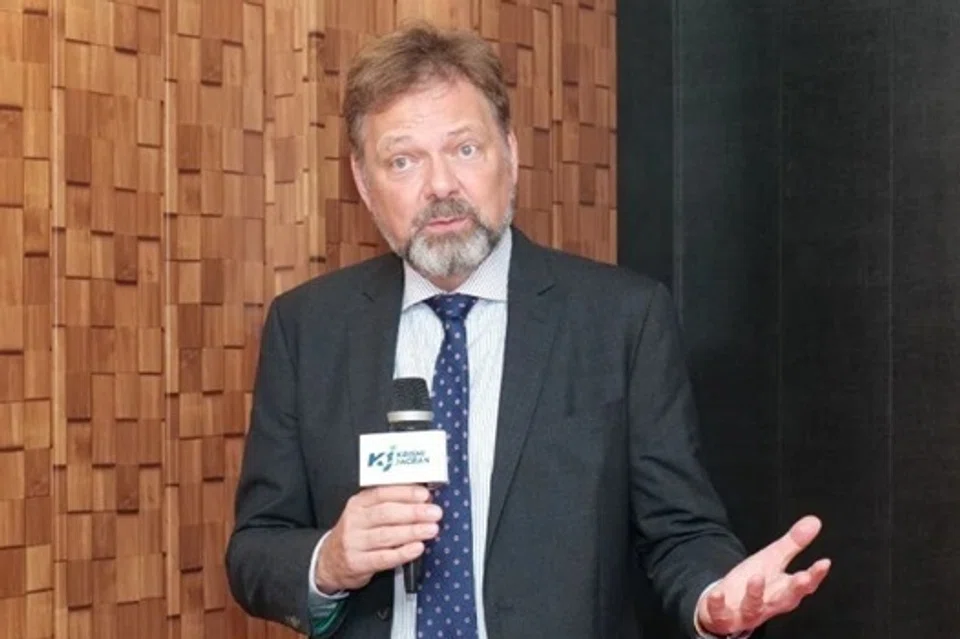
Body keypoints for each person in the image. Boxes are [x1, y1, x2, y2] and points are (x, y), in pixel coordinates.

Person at [225, 22, 830, 639]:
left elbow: (679, 531)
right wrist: (328, 560)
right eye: (403, 160)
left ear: (511, 155)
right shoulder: (308, 329)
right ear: (363, 182)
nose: (440, 185)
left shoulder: (621, 320)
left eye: (465, 149)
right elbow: (254, 549)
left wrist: (713, 600)